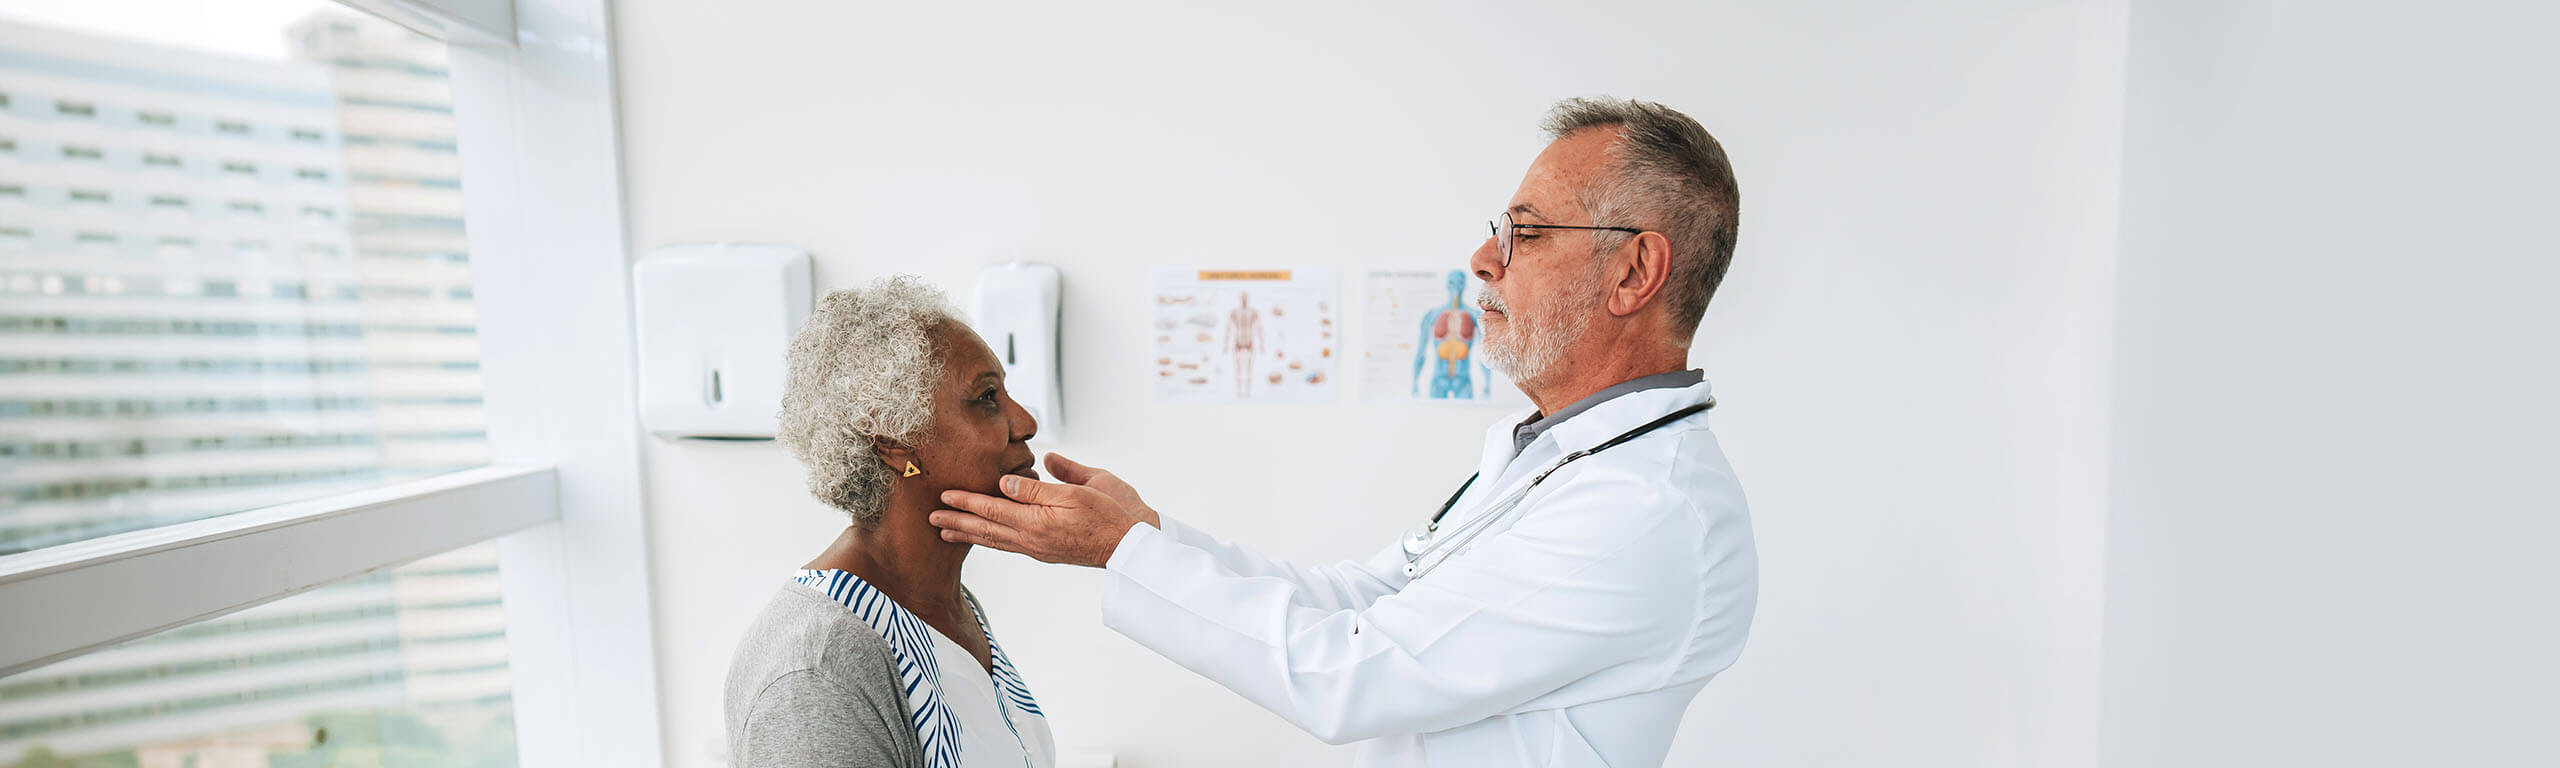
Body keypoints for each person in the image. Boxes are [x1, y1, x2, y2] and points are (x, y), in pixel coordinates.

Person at [931, 96, 1756, 767]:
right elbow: (1362, 598)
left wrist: (1122, 553)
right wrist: (1146, 534)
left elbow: (1354, 670)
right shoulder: (1548, 452)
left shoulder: (1649, 513)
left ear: (1634, 272)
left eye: (1526, 233)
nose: (1482, 256)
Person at [726, 276, 1056, 768]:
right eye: (986, 398)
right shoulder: (819, 669)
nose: (1025, 421)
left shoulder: (949, 607)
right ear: (893, 442)